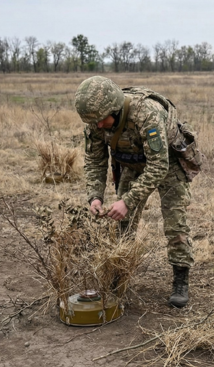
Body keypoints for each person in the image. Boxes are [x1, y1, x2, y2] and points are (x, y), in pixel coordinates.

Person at [75, 76, 197, 308]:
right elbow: (94, 160)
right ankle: (120, 274)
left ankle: (180, 279)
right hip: (132, 164)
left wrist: (127, 200)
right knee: (123, 224)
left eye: (102, 120)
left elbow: (158, 166)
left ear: (114, 108)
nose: (99, 126)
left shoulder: (146, 113)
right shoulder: (95, 119)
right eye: (95, 122)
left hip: (167, 164)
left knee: (175, 224)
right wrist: (95, 196)